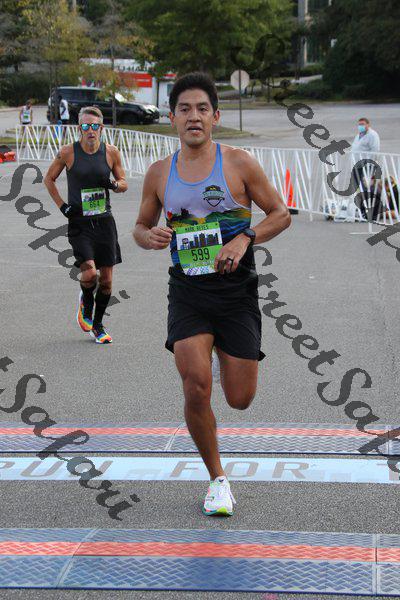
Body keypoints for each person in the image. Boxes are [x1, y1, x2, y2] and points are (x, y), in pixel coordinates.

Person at [133, 72, 290, 516]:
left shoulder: (239, 163)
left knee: (239, 398)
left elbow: (280, 213)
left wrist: (245, 239)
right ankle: (217, 479)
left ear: (216, 116)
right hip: (188, 290)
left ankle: (222, 353)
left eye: (202, 108)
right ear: (172, 118)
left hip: (236, 292)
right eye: (185, 109)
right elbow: (140, 227)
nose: (194, 117)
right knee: (196, 385)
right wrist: (149, 237)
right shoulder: (160, 173)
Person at [44, 106, 128, 343]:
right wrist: (62, 206)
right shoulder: (68, 152)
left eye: (94, 126)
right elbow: (49, 179)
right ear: (79, 128)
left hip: (104, 221)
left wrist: (114, 185)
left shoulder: (111, 152)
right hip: (79, 222)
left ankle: (98, 326)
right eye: (85, 126)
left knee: (107, 280)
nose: (90, 130)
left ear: (101, 128)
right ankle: (86, 301)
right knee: (90, 273)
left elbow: (123, 182)